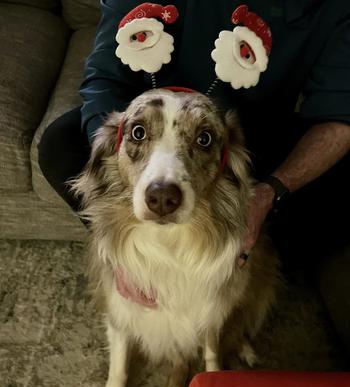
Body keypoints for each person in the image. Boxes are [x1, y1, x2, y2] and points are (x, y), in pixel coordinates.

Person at [38, 0, 350, 352]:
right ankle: (135, 260)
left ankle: (238, 271)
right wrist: (124, 171)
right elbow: (105, 79)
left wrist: (268, 192)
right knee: (59, 146)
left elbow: (339, 120)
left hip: (253, 131)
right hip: (149, 127)